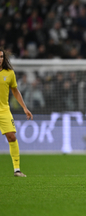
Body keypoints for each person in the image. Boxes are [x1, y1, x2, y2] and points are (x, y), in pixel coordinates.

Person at [0, 48, 33, 177]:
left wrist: (24, 108)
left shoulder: (9, 73)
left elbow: (15, 91)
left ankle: (17, 170)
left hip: (3, 110)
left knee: (12, 137)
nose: (0, 59)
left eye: (2, 56)